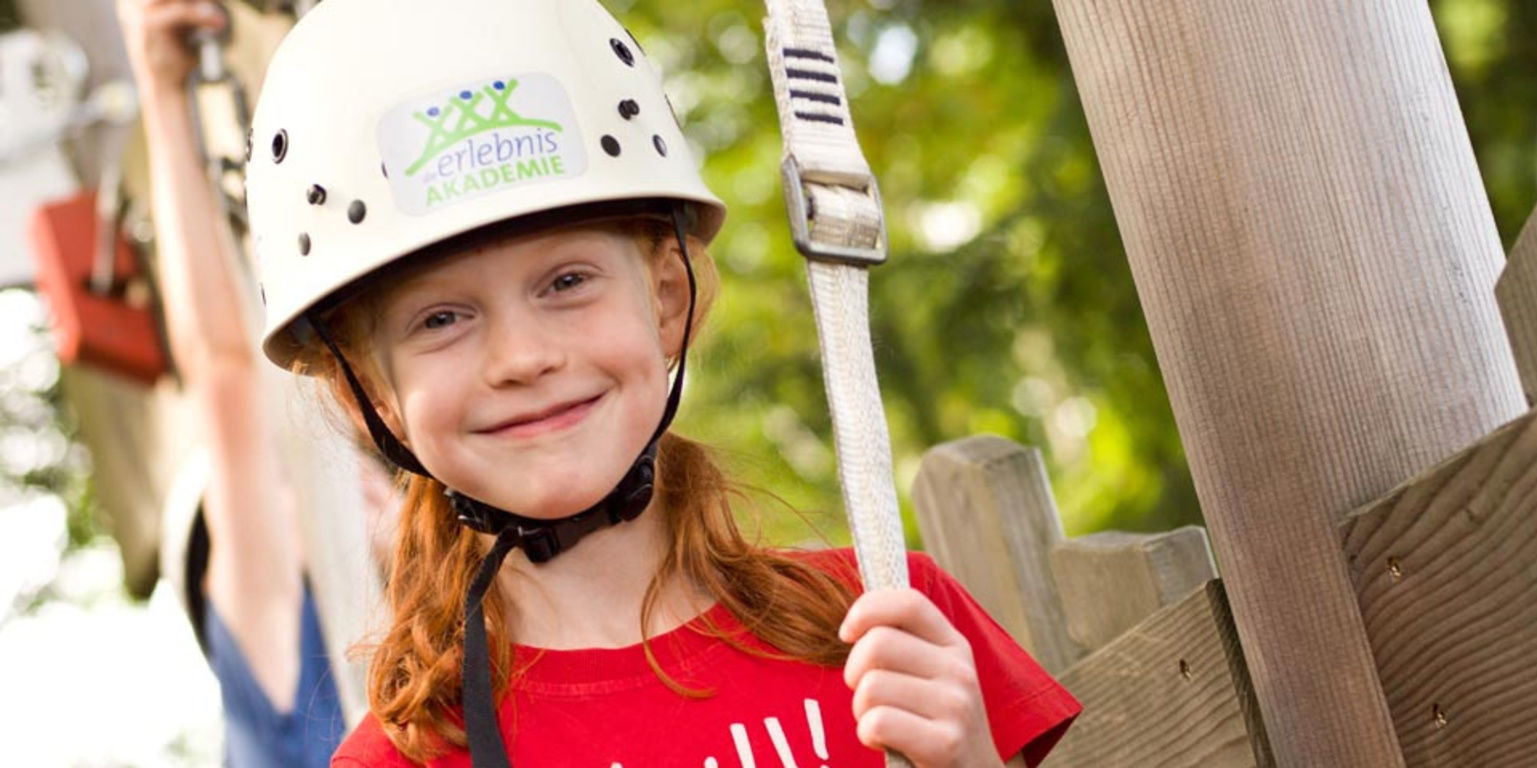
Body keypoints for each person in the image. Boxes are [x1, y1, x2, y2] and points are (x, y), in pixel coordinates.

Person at [239, 0, 1081, 766]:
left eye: (566, 281)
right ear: (368, 397)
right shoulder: (411, 759)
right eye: (441, 320)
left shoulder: (885, 627)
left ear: (668, 297)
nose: (522, 357)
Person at [117, 1, 394, 764]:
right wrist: (163, 95)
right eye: (277, 504)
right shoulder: (292, 689)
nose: (285, 496)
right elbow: (225, 373)